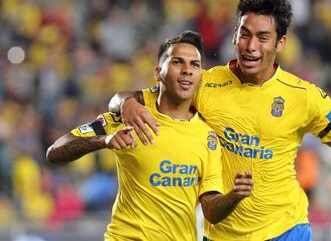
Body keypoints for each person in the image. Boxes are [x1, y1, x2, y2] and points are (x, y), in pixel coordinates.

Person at [109, 0, 331, 241]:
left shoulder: (304, 97)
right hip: (221, 233)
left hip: (286, 228)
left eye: (263, 37)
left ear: (281, 42)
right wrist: (126, 104)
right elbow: (126, 98)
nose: (251, 46)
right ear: (234, 35)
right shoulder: (205, 83)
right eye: (244, 34)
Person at [47, 31, 253, 240]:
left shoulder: (207, 137)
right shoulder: (130, 117)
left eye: (194, 65)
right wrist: (104, 140)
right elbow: (54, 152)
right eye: (177, 62)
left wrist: (234, 196)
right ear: (157, 72)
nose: (187, 71)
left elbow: (210, 211)